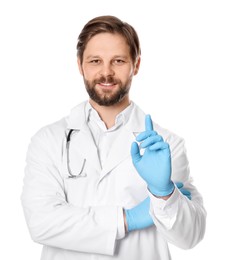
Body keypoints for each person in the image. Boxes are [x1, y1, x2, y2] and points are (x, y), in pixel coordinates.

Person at [21, 15, 206, 260]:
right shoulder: (48, 141)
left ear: (136, 65)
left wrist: (165, 194)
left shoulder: (165, 144)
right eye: (95, 61)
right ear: (80, 65)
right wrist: (126, 219)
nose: (106, 73)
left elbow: (190, 236)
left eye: (118, 61)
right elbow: (41, 222)